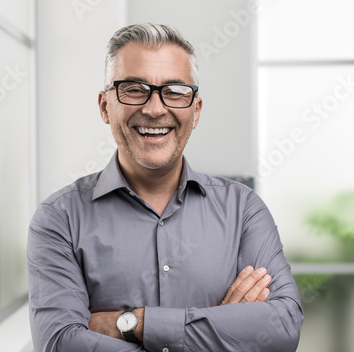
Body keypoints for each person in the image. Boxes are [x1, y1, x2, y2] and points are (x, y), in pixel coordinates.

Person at [27, 23, 303, 352]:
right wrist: (220, 330)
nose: (155, 109)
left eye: (174, 91)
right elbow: (61, 343)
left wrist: (132, 323)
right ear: (104, 107)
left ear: (196, 110)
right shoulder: (59, 220)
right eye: (133, 89)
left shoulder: (243, 209)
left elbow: (282, 327)